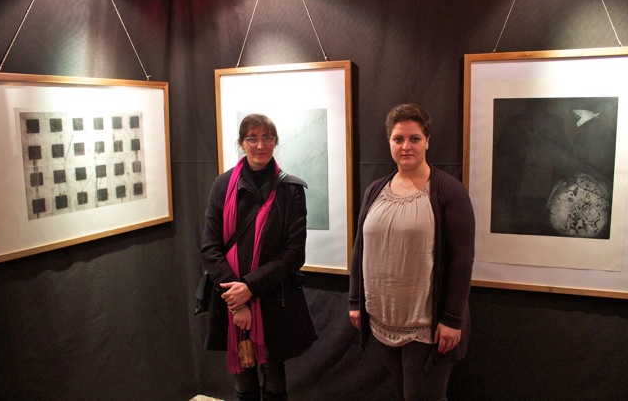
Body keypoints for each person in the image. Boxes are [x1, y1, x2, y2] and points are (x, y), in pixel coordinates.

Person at [348, 104, 475, 400]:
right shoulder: (375, 190)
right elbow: (360, 248)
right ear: (389, 142)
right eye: (398, 139)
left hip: (427, 325)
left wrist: (452, 318)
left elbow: (462, 260)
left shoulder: (449, 191)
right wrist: (355, 300)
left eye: (414, 138)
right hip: (383, 318)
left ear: (427, 141)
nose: (406, 146)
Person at [200, 114, 317, 401]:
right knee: (243, 380)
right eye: (252, 138)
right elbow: (210, 248)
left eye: (267, 137)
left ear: (276, 142)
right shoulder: (222, 185)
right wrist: (236, 299)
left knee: (273, 376)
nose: (260, 145)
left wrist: (250, 287)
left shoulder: (291, 190)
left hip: (272, 298)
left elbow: (294, 254)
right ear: (241, 143)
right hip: (230, 298)